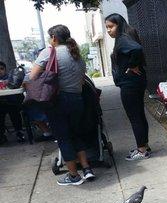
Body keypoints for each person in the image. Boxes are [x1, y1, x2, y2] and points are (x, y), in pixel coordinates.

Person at [29, 25, 94, 186]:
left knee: (63, 138)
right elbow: (81, 80)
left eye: (49, 37)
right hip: (77, 100)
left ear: (54, 38)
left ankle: (73, 176)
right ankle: (86, 169)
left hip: (58, 101)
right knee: (76, 134)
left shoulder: (49, 52)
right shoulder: (77, 54)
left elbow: (32, 76)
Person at [105, 13, 151, 160]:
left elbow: (136, 49)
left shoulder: (123, 39)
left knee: (135, 116)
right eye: (106, 27)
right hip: (134, 82)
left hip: (130, 84)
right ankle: (144, 146)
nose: (108, 30)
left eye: (111, 26)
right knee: (139, 114)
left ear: (119, 25)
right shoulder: (125, 37)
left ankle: (142, 149)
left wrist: (132, 65)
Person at [0, 61, 26, 144]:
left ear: (5, 69)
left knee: (14, 113)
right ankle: (1, 135)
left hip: (12, 102)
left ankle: (19, 132)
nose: (0, 71)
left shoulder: (11, 78)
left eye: (1, 69)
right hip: (1, 104)